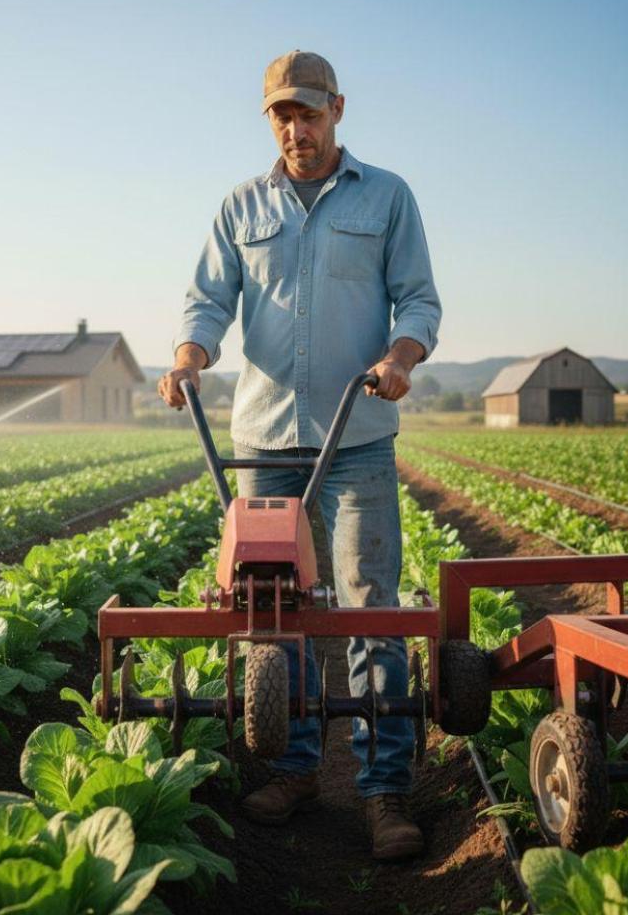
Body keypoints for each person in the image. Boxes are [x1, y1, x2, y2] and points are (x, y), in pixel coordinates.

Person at [157, 50, 442, 861]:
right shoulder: (240, 206)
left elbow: (419, 296)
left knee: (368, 610)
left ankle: (385, 791)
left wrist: (400, 359)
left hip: (357, 436)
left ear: (338, 110)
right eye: (281, 114)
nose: (295, 128)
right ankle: (292, 768)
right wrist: (188, 359)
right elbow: (207, 301)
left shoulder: (387, 197)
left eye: (308, 113)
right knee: (273, 613)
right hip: (265, 443)